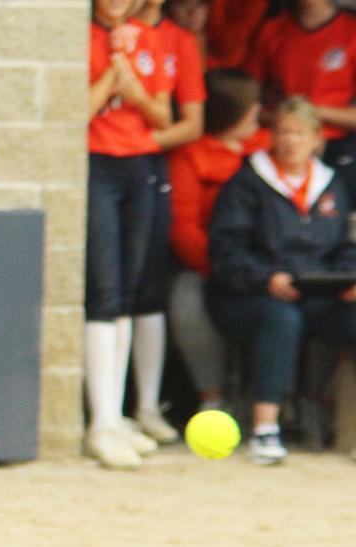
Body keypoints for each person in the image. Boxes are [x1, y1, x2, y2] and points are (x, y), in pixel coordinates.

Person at [208, 95, 356, 464]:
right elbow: (227, 253)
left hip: (317, 294)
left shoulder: (332, 184)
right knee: (281, 318)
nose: (292, 141)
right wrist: (266, 278)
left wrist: (348, 278)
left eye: (301, 133)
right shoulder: (246, 183)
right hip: (250, 296)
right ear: (272, 136)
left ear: (317, 139)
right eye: (285, 131)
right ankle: (265, 429)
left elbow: (344, 246)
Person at [85, 0, 172, 469]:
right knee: (104, 290)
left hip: (139, 167)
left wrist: (132, 88)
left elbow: (160, 114)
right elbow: (79, 110)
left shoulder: (148, 36)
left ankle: (116, 417)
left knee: (128, 291)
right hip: (99, 164)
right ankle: (100, 421)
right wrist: (113, 71)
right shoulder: (85, 36)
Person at [125, 0, 206, 445]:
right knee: (113, 292)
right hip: (120, 164)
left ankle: (149, 406)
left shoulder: (179, 39)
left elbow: (191, 123)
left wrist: (140, 139)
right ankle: (118, 411)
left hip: (153, 165)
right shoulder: (119, 31)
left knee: (148, 286)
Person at [167, 68, 270, 412]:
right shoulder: (190, 155)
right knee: (186, 300)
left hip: (268, 265)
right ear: (232, 113)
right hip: (211, 265)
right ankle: (211, 398)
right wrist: (225, 267)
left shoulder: (267, 148)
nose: (259, 112)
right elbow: (184, 229)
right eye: (252, 107)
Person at [243, 0, 356, 196]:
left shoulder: (351, 30)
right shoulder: (273, 29)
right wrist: (289, 121)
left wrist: (310, 114)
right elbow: (245, 101)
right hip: (281, 140)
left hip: (337, 142)